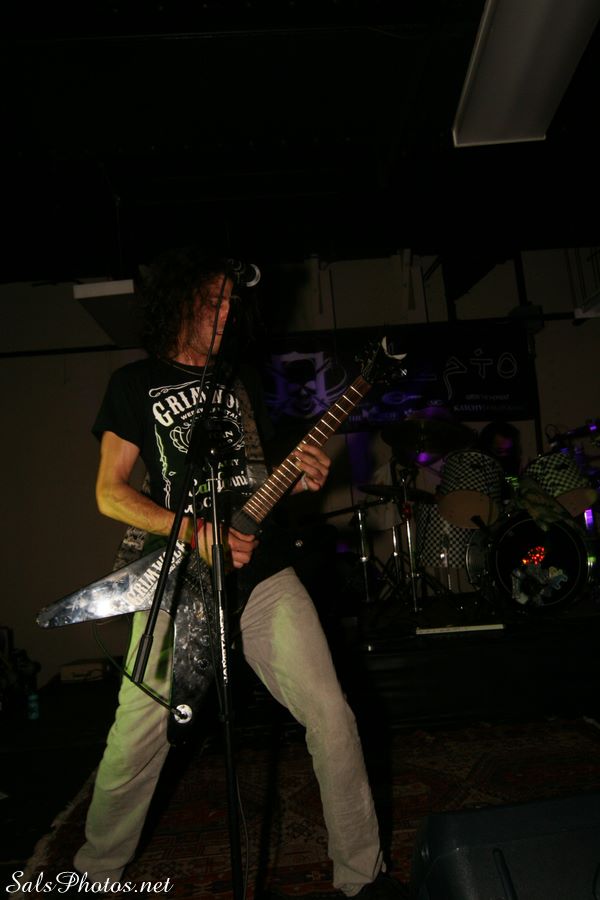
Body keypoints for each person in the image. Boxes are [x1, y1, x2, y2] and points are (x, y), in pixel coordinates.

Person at [73, 247, 407, 898]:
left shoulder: (241, 382)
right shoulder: (134, 383)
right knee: (137, 738)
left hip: (264, 571)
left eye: (233, 303)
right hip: (177, 574)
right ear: (181, 302)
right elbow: (110, 494)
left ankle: (363, 878)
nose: (227, 313)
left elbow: (257, 477)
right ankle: (92, 876)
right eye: (214, 300)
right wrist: (195, 532)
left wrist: (299, 476)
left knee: (332, 716)